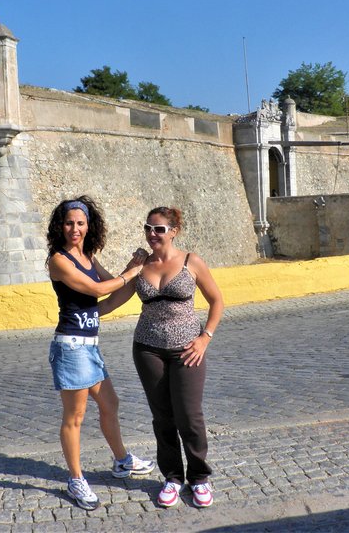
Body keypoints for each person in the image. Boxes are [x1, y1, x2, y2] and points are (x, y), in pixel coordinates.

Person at [46, 195, 155, 511]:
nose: (75, 229)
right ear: (60, 226)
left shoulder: (88, 257)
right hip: (71, 348)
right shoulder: (59, 260)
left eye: (80, 223)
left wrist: (136, 268)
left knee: (110, 403)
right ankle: (76, 479)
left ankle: (122, 461)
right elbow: (96, 291)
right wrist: (131, 274)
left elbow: (110, 293)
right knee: (74, 418)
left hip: (91, 348)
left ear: (88, 225)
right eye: (69, 223)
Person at [129, 206, 224, 509]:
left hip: (188, 349)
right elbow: (114, 294)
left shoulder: (190, 262)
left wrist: (204, 338)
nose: (152, 234)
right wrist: (80, 312)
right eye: (148, 228)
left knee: (189, 416)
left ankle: (199, 478)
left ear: (174, 231)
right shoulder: (141, 265)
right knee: (163, 417)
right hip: (147, 348)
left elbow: (217, 300)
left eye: (159, 229)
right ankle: (172, 477)